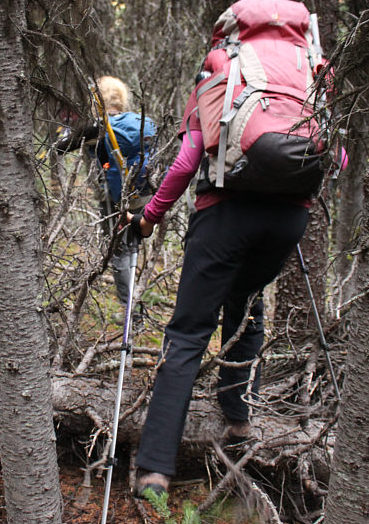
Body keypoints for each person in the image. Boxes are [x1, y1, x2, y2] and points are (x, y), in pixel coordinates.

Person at [127, 77, 313, 498]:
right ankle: (239, 421)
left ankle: (155, 469)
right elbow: (333, 153)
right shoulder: (302, 78)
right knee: (247, 304)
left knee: (189, 330)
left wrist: (150, 217)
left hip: (224, 213)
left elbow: (187, 159)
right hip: (287, 219)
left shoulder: (219, 78)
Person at [54, 76, 156, 327]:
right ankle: (136, 307)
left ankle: (133, 316)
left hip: (114, 202)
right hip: (144, 196)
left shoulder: (97, 127)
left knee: (120, 255)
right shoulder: (141, 122)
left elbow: (60, 147)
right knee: (132, 250)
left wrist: (71, 130)